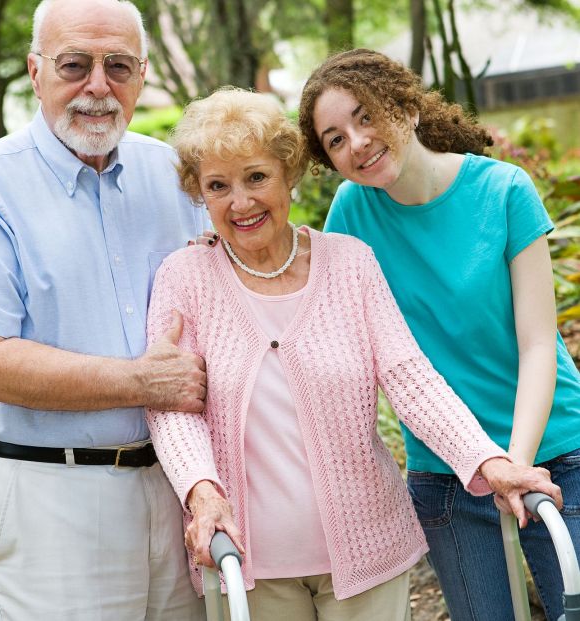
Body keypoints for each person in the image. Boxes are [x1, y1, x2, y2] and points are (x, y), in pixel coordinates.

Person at [145, 87, 561, 621]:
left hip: (368, 557)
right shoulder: (185, 277)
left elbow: (411, 380)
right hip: (241, 561)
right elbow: (173, 409)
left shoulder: (349, 263)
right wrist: (202, 493)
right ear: (199, 194)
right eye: (218, 186)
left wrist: (490, 461)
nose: (241, 202)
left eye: (256, 177)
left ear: (288, 173)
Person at [298, 48, 580, 621]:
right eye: (334, 138)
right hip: (447, 474)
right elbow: (315, 315)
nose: (355, 141)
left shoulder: (503, 190)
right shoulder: (351, 212)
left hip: (556, 456)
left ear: (405, 106)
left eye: (364, 116)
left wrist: (516, 465)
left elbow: (537, 345)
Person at [0, 1, 209, 619]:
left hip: (181, 490)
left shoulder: (176, 175)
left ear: (143, 75)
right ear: (36, 70)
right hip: (52, 499)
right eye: (75, 64)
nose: (98, 86)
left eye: (118, 66)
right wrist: (140, 383)